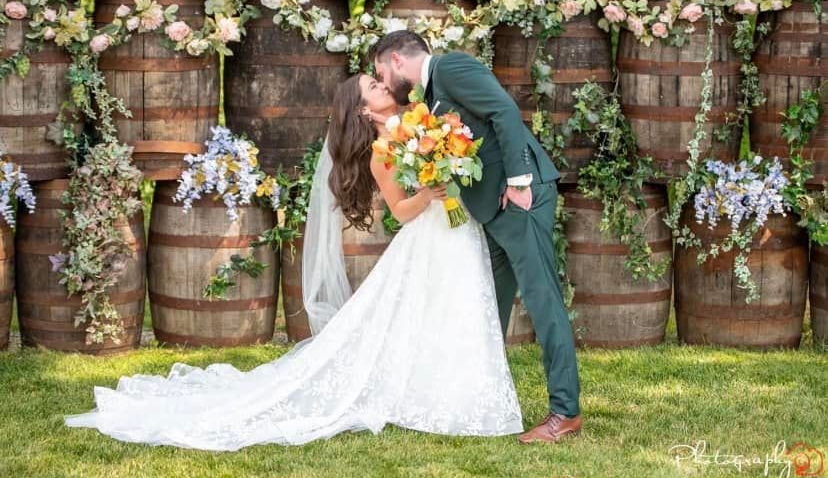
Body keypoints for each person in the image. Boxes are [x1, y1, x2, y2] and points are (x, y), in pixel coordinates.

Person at [63, 73, 523, 451]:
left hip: (457, 229)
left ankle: (453, 388)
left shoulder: (421, 123)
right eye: (374, 88)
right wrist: (430, 191)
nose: (385, 86)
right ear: (364, 111)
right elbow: (402, 212)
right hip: (429, 233)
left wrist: (450, 161)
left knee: (455, 308)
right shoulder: (384, 153)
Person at [370, 30, 582, 444]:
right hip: (494, 213)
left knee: (543, 302)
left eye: (380, 71)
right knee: (489, 307)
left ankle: (565, 412)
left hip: (519, 199)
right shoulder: (429, 98)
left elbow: (503, 110)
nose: (383, 80)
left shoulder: (450, 67)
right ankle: (479, 400)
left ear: (396, 60)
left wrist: (520, 181)